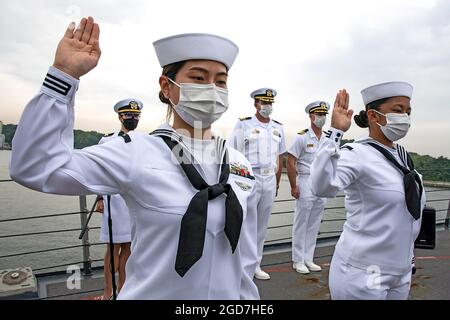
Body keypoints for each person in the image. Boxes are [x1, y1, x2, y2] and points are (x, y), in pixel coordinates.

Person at [10, 17, 259, 300]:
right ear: (167, 87)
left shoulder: (239, 164)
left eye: (221, 81)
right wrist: (63, 76)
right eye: (199, 78)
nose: (212, 89)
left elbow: (245, 258)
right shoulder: (135, 151)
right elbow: (36, 167)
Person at [310, 83, 425, 300]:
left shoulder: (402, 156)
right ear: (374, 116)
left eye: (408, 112)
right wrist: (335, 133)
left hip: (401, 270)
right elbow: (321, 187)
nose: (405, 118)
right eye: (398, 111)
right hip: (367, 271)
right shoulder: (357, 154)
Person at [228, 88, 286, 280]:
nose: (267, 107)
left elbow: (279, 157)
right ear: (256, 104)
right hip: (249, 178)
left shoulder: (279, 128)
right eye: (264, 103)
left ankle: (256, 264)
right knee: (246, 224)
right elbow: (232, 154)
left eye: (270, 103)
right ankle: (241, 265)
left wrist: (277, 183)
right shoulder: (243, 125)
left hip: (269, 178)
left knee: (261, 225)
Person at [94, 98, 143, 299]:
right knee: (113, 248)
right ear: (120, 117)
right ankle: (108, 291)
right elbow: (97, 172)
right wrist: (98, 198)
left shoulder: (141, 142)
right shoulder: (108, 141)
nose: (132, 119)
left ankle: (123, 290)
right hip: (113, 201)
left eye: (136, 116)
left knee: (129, 248)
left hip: (131, 202)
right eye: (129, 115)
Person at [287, 101, 329, 274]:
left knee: (314, 222)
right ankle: (298, 260)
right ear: (311, 116)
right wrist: (293, 185)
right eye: (318, 115)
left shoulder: (327, 138)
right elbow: (290, 162)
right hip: (304, 181)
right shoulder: (301, 137)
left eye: (323, 115)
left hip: (321, 183)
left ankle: (308, 258)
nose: (322, 118)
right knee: (301, 222)